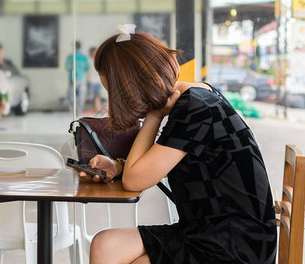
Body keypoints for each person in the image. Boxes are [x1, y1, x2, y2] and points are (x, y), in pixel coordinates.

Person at [80, 26, 277, 264]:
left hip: (233, 248)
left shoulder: (195, 107)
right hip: (209, 231)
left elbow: (136, 180)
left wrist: (154, 116)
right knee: (106, 245)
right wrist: (118, 166)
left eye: (115, 92)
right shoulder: (197, 95)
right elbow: (151, 165)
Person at [65, 41, 90, 116]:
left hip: (72, 77)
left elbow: (67, 67)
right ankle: (80, 110)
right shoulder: (84, 57)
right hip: (81, 78)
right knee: (81, 94)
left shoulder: (71, 56)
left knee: (71, 94)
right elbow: (87, 67)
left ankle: (74, 107)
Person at [86, 47, 103, 112]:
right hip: (91, 80)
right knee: (89, 96)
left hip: (98, 80)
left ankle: (97, 108)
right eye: (93, 52)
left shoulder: (99, 60)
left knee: (97, 95)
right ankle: (87, 108)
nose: (94, 53)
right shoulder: (88, 60)